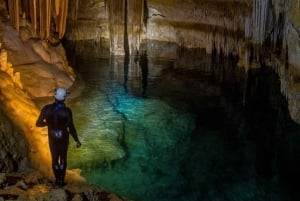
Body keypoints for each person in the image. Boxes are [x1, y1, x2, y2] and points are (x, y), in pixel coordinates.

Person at [36, 87, 82, 187]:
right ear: (64, 98)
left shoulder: (46, 109)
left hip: (52, 137)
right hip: (63, 137)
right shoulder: (67, 111)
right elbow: (71, 128)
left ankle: (57, 181)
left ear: (55, 96)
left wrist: (48, 124)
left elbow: (38, 124)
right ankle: (62, 181)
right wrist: (77, 140)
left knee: (54, 159)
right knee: (63, 159)